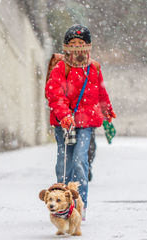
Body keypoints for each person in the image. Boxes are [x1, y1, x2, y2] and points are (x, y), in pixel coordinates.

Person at [45, 24, 116, 220]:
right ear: (66, 46)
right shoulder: (61, 67)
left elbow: (100, 91)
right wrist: (64, 114)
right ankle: (62, 204)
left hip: (86, 124)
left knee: (80, 161)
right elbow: (54, 94)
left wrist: (107, 109)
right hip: (63, 124)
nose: (77, 47)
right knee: (64, 164)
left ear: (88, 45)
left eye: (81, 43)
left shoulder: (94, 67)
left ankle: (80, 204)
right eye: (73, 43)